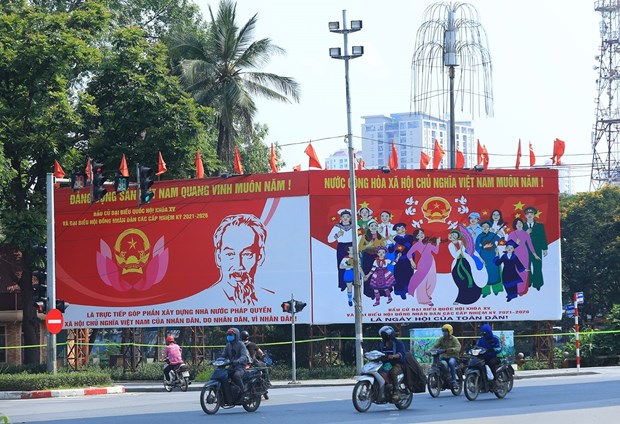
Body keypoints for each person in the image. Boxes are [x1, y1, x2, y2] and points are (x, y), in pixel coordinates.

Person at [213, 214, 267, 305]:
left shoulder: (277, 302)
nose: (238, 265)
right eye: (230, 254)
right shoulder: (197, 301)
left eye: (247, 254)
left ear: (260, 257)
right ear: (218, 257)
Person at [406, 229, 440, 306]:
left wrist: (437, 243)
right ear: (416, 237)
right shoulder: (416, 245)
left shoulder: (428, 243)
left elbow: (436, 251)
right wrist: (412, 261)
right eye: (418, 235)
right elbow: (409, 254)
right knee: (422, 281)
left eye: (422, 233)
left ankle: (427, 294)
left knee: (432, 279)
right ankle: (423, 299)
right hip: (423, 263)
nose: (421, 235)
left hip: (431, 262)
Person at [377, 325, 407, 402]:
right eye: (382, 335)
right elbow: (377, 352)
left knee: (393, 372)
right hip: (385, 363)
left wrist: (394, 356)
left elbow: (402, 353)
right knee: (378, 372)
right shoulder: (382, 344)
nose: (383, 337)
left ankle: (396, 391)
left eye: (385, 335)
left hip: (397, 364)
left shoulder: (398, 343)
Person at [430, 324, 461, 390]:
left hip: (453, 356)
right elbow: (435, 346)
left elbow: (458, 347)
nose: (444, 333)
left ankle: (454, 381)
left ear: (449, 332)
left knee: (451, 363)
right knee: (438, 363)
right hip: (443, 356)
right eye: (443, 331)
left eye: (445, 331)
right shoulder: (441, 339)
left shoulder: (454, 339)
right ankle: (439, 380)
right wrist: (429, 351)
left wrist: (452, 349)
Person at [524, 206, 548, 291]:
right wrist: (525, 233)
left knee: (537, 266)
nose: (529, 215)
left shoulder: (539, 225)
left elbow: (543, 237)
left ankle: (537, 283)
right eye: (528, 214)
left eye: (531, 213)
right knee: (527, 266)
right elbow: (518, 238)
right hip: (525, 249)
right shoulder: (522, 226)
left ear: (534, 215)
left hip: (537, 249)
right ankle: (528, 282)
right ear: (525, 215)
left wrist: (544, 249)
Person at [240, 330, 269, 400]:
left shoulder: (239, 345)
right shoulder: (252, 344)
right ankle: (267, 382)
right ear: (248, 337)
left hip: (241, 364)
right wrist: (262, 355)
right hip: (252, 364)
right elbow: (261, 353)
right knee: (264, 367)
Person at [221, 327, 250, 397]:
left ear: (236, 336)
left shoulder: (241, 344)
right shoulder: (228, 345)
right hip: (231, 366)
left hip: (240, 367)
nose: (229, 336)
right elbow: (223, 355)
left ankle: (243, 392)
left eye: (231, 335)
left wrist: (238, 361)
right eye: (228, 335)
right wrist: (217, 360)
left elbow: (244, 356)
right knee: (222, 375)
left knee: (236, 375)